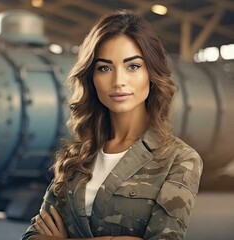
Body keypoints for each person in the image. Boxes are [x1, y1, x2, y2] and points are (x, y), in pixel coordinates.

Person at [21, 9, 203, 240]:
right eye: (104, 68)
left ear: (152, 73)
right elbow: (32, 236)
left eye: (133, 66)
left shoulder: (179, 159)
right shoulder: (75, 157)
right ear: (91, 77)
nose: (118, 81)